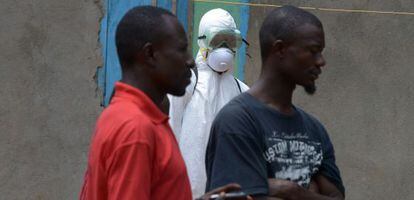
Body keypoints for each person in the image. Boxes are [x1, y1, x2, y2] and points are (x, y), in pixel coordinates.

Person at [80, 6, 242, 200]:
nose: (190, 61)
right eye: (181, 50)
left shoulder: (131, 117)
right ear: (150, 54)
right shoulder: (135, 130)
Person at [205, 6, 345, 200]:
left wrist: (290, 191)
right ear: (280, 49)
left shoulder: (314, 129)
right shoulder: (237, 121)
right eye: (313, 51)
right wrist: (310, 192)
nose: (321, 61)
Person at [168, 8, 249, 197]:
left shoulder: (242, 91)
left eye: (230, 42)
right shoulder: (185, 83)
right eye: (217, 40)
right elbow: (169, 133)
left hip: (226, 194)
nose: (224, 47)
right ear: (203, 40)